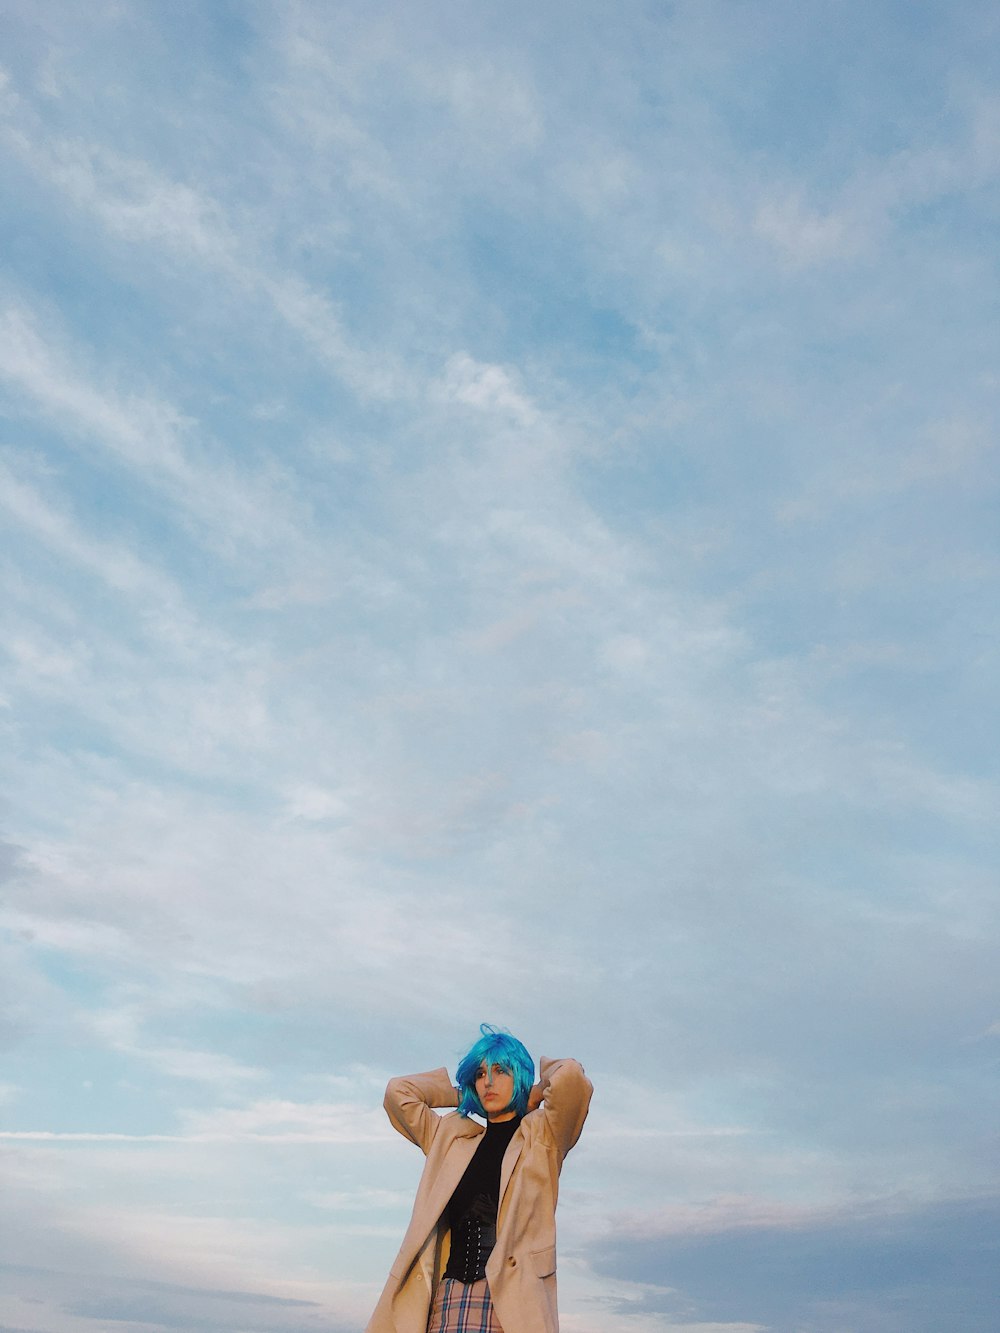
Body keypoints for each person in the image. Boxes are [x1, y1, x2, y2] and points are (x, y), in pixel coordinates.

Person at [365, 1024, 593, 1333]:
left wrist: (534, 1094)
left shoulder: (542, 1138)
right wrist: (465, 1094)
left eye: (500, 1071)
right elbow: (398, 1093)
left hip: (512, 1301)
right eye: (480, 1074)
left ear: (520, 1076)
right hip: (449, 1298)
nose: (488, 1082)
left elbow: (571, 1078)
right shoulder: (451, 1139)